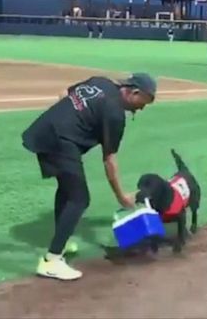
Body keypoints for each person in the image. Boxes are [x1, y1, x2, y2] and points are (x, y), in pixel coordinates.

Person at [21, 73, 157, 281]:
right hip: (61, 141)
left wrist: (70, 120)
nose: (141, 108)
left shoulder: (101, 82)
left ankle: (62, 241)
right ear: (134, 92)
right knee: (80, 198)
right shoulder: (115, 115)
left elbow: (65, 93)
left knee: (67, 189)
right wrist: (122, 197)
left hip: (46, 128)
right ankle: (52, 260)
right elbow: (109, 160)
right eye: (143, 103)